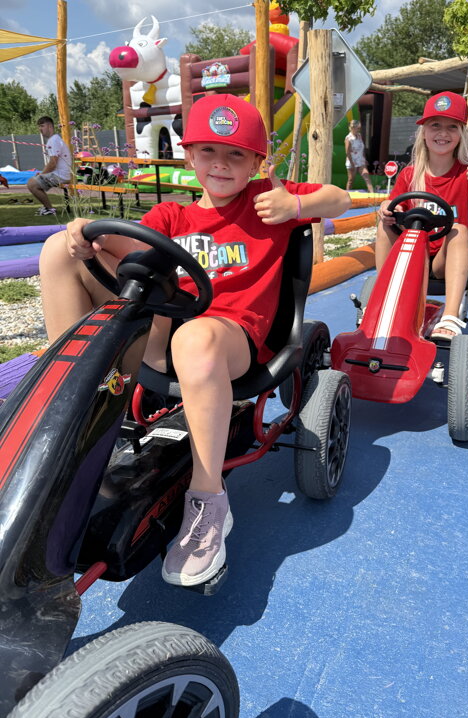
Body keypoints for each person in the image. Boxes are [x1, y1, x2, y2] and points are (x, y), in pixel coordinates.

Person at [39, 93, 350, 588]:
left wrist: (299, 203)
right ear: (188, 155)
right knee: (59, 249)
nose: (221, 165)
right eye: (208, 151)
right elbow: (128, 247)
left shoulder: (268, 204)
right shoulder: (171, 217)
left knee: (197, 338)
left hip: (234, 338)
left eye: (236, 155)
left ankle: (208, 501)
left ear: (256, 162)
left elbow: (340, 197)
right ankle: (71, 417)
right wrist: (82, 233)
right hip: (169, 331)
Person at [376, 91, 468, 340]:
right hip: (413, 255)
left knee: (459, 228)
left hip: (445, 259)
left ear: (461, 134)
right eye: (435, 125)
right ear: (424, 131)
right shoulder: (409, 175)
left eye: (451, 127)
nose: (443, 133)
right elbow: (395, 206)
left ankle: (450, 316)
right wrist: (388, 206)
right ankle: (382, 300)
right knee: (383, 223)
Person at [27, 116, 72, 215]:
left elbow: (53, 163)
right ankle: (48, 208)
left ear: (50, 126)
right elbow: (52, 163)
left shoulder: (54, 141)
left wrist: (41, 175)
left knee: (32, 184)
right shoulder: (54, 139)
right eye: (39, 126)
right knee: (34, 181)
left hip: (61, 175)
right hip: (61, 174)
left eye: (42, 126)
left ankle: (49, 209)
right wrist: (42, 174)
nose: (40, 129)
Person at [345, 120, 374, 193]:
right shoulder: (348, 138)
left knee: (366, 176)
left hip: (360, 160)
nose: (359, 129)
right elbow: (347, 152)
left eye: (359, 128)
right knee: (351, 180)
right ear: (353, 128)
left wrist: (364, 158)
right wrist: (352, 163)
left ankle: (372, 193)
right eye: (358, 128)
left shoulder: (359, 136)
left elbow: (362, 148)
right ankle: (347, 193)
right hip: (352, 161)